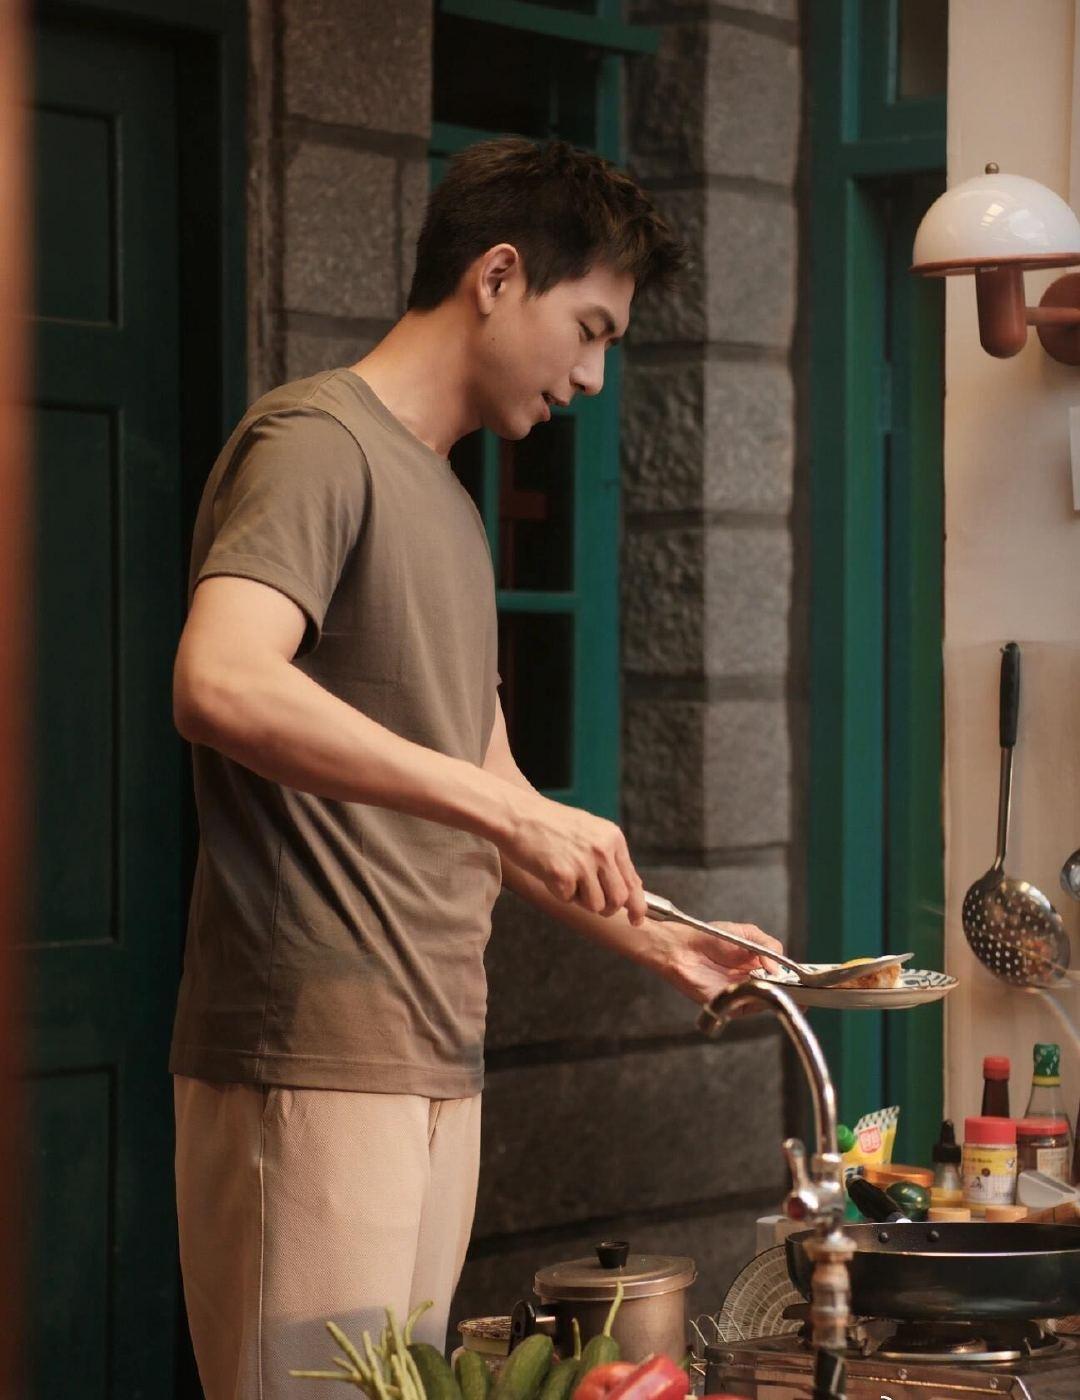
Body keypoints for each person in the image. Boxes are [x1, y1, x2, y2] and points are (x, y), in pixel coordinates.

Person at [169, 137, 783, 1399]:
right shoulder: (314, 441)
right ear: (497, 276)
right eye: (590, 329)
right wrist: (501, 805)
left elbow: (499, 799)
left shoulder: (447, 501)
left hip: (432, 1044)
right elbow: (220, 679)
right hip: (313, 1043)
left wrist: (670, 941)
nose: (595, 375)